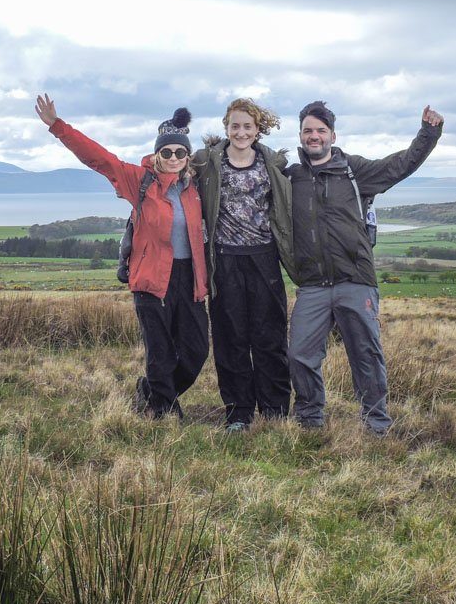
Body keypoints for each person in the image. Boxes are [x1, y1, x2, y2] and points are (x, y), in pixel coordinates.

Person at [35, 94, 209, 419]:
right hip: (151, 280)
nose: (173, 156)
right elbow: (98, 158)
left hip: (190, 280)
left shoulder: (196, 186)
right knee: (160, 354)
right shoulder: (139, 181)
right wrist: (59, 127)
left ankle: (151, 391)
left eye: (179, 152)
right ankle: (164, 412)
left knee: (196, 351)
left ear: (188, 156)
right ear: (157, 154)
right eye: (166, 151)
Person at [285, 100, 444, 435]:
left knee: (366, 356)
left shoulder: (354, 171)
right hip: (312, 284)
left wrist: (428, 133)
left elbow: (400, 165)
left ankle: (376, 424)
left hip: (355, 279)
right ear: (300, 135)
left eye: (320, 131)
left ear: (333, 135)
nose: (314, 137)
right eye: (308, 131)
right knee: (300, 353)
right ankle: (310, 419)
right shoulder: (292, 177)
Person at [192, 98, 296, 432]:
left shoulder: (273, 164)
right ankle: (238, 412)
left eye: (247, 126)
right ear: (226, 128)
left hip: (264, 257)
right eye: (234, 126)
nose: (240, 132)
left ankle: (275, 408)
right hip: (224, 259)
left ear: (257, 129)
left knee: (270, 336)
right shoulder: (208, 162)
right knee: (230, 337)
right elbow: (173, 165)